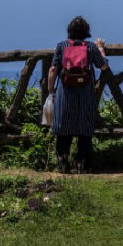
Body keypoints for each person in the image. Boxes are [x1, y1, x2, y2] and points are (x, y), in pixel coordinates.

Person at [47, 16, 109, 173]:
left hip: (65, 92)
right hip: (85, 92)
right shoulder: (90, 47)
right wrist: (101, 48)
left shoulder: (61, 46)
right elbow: (103, 66)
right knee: (84, 128)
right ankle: (82, 166)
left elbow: (53, 69)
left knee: (63, 128)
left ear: (69, 30)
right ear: (87, 31)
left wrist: (51, 90)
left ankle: (62, 164)